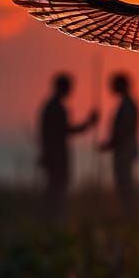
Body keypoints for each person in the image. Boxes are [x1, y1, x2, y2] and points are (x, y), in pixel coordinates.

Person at [39, 72, 98, 218]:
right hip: (57, 155)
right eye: (69, 88)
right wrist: (88, 123)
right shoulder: (56, 107)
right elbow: (65, 130)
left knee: (55, 187)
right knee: (57, 188)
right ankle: (54, 218)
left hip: (54, 154)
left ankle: (51, 217)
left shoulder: (51, 106)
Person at [98, 72, 139, 217]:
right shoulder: (127, 104)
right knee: (124, 183)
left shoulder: (127, 106)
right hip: (124, 150)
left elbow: (124, 131)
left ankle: (130, 214)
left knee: (125, 183)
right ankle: (128, 213)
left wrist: (109, 144)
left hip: (125, 151)